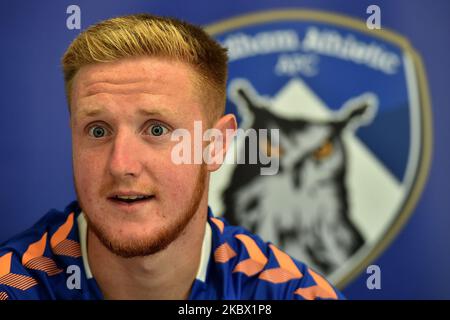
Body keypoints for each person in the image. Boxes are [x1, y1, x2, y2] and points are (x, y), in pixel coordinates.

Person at [0, 13, 344, 300]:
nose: (121, 165)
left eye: (157, 130)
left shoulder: (290, 295)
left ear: (217, 145)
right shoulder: (13, 286)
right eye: (98, 130)